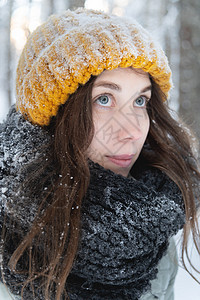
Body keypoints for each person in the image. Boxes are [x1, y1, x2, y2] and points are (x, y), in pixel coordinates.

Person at [0, 7, 199, 300]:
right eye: (104, 99)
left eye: (140, 100)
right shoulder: (9, 235)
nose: (132, 131)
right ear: (54, 116)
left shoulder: (152, 235)